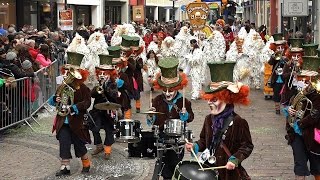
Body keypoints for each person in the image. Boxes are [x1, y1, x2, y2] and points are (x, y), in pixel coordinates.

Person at [185, 79, 254, 180]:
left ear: (226, 100)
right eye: (208, 99)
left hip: (229, 173)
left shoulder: (239, 121)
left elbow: (247, 146)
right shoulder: (208, 119)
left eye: (214, 100)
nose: (209, 103)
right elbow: (204, 140)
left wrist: (235, 160)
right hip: (209, 170)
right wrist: (195, 146)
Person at [148, 57, 194, 180]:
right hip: (162, 138)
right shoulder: (156, 100)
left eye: (171, 90)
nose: (167, 93)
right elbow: (151, 122)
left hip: (177, 141)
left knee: (175, 165)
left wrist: (185, 115)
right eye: (165, 90)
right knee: (164, 168)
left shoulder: (184, 101)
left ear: (177, 88)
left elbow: (191, 118)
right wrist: (150, 116)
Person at [48, 62, 92, 176]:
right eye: (66, 72)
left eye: (70, 72)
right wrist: (55, 99)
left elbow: (87, 102)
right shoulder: (62, 86)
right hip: (63, 120)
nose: (67, 74)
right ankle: (65, 166)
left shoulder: (83, 88)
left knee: (79, 144)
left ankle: (86, 163)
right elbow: (52, 101)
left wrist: (75, 107)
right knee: (64, 142)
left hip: (77, 121)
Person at [287, 79, 320, 180]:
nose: (304, 84)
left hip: (313, 136)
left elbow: (315, 115)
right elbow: (292, 104)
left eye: (307, 81)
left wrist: (300, 123)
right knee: (300, 166)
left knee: (317, 167)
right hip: (297, 135)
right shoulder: (298, 93)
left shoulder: (317, 96)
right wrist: (290, 109)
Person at [90, 55, 119, 159]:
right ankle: (99, 146)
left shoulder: (113, 84)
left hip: (108, 110)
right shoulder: (98, 83)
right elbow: (92, 95)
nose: (102, 75)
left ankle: (107, 150)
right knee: (94, 128)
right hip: (97, 109)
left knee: (108, 130)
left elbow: (114, 96)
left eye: (105, 73)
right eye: (101, 73)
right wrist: (97, 88)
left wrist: (105, 89)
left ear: (110, 74)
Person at [268, 40, 289, 114]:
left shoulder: (287, 57)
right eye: (278, 48)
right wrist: (274, 56)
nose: (280, 49)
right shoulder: (274, 55)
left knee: (284, 94)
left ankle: (285, 109)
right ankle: (277, 109)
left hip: (284, 79)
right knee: (276, 93)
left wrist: (285, 59)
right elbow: (270, 63)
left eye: (282, 48)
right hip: (276, 79)